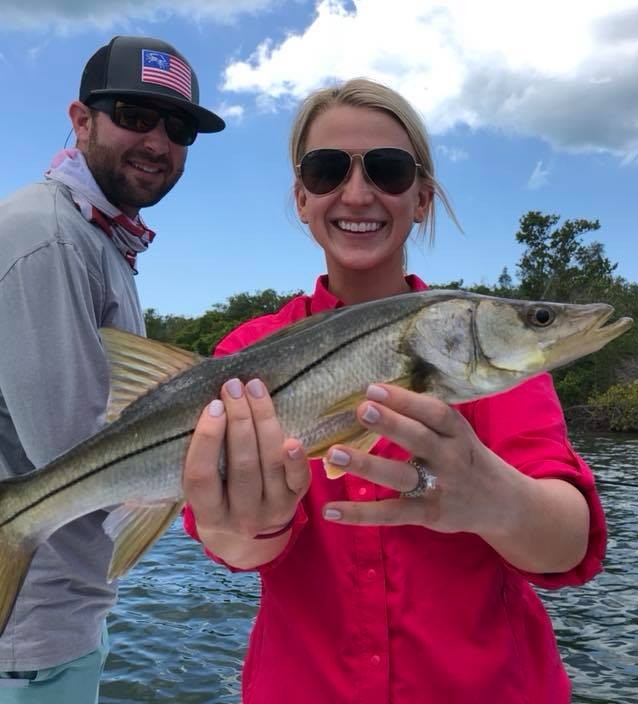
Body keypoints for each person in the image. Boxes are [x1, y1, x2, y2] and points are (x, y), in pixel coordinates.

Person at [180, 78, 607, 703]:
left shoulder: (481, 347)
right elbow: (231, 544)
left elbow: (568, 545)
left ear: (423, 197)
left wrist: (496, 500)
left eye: (388, 169)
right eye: (327, 171)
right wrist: (253, 526)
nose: (357, 193)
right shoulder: (249, 353)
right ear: (302, 198)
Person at [0, 35, 225, 703]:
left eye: (178, 126)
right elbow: (79, 453)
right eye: (133, 115)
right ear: (80, 119)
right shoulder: (47, 240)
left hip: (41, 612)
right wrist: (233, 454)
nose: (158, 142)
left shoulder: (94, 238)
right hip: (7, 622)